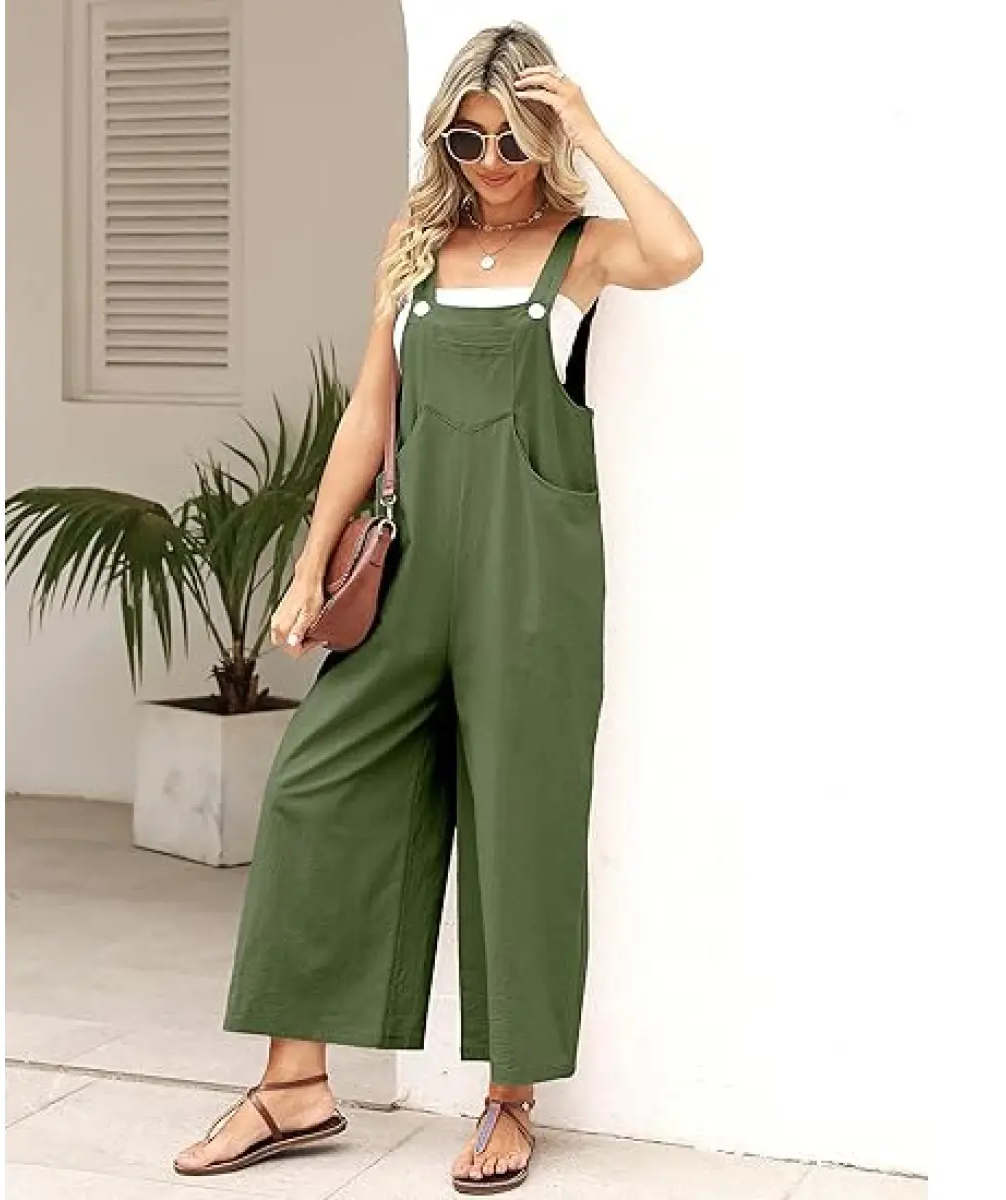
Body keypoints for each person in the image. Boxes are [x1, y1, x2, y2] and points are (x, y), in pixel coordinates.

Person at [173, 19, 702, 1194]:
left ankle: (511, 1097)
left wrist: (592, 133)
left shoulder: (584, 250)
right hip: (408, 573)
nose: (490, 163)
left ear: (545, 139)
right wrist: (309, 567)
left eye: (513, 140)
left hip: (532, 585)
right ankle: (294, 1086)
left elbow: (679, 251)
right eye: (468, 140)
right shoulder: (414, 246)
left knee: (520, 823)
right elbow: (369, 414)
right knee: (313, 791)